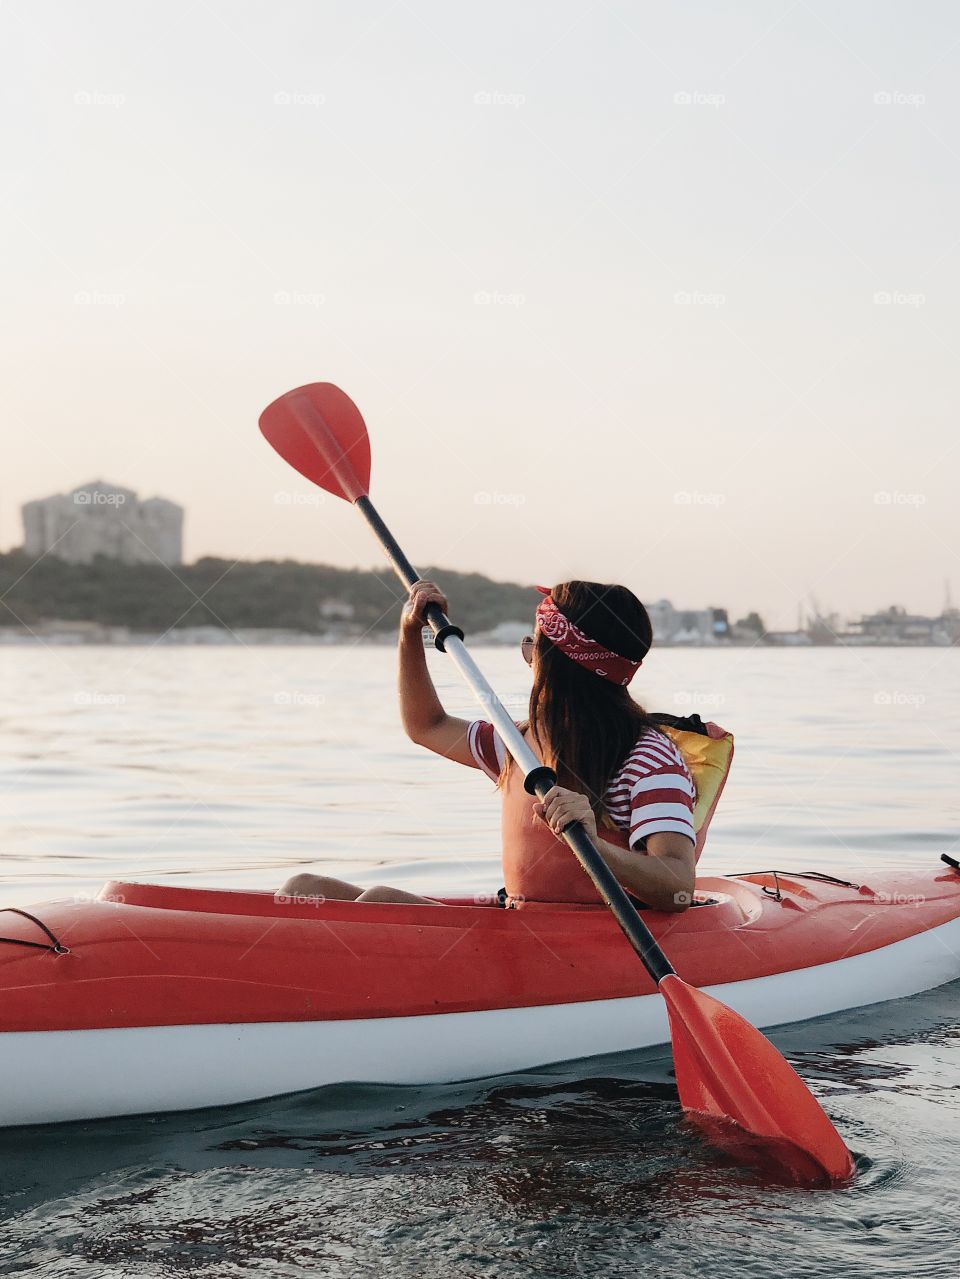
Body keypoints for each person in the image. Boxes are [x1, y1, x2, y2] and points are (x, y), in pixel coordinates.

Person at [280, 579, 701, 912]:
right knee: (303, 888)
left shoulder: (648, 760)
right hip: (517, 924)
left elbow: (678, 887)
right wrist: (411, 634)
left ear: (559, 667)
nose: (529, 656)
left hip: (590, 944)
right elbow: (427, 726)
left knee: (378, 902)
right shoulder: (520, 743)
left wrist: (597, 844)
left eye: (533, 646)